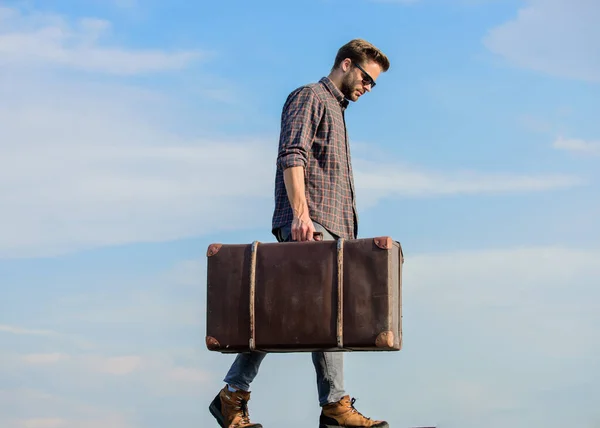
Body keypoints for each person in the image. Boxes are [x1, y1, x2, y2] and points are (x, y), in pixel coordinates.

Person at [209, 39, 391, 428]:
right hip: (312, 225)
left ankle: (233, 395)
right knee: (318, 316)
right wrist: (301, 215)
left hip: (335, 231)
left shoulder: (338, 113)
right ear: (346, 64)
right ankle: (334, 406)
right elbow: (292, 154)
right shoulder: (309, 97)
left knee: (294, 317)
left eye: (374, 84)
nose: (368, 88)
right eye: (366, 78)